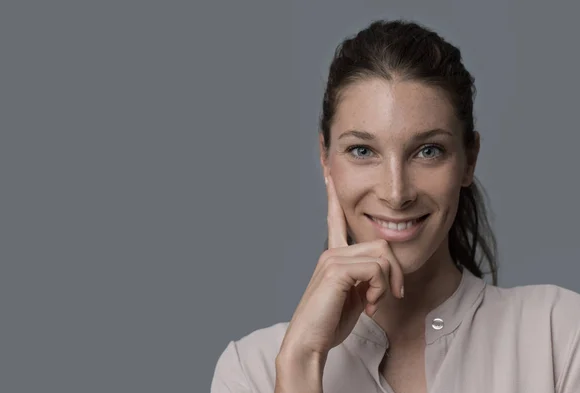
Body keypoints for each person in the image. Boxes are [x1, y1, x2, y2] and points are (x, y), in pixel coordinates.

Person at [210, 19, 580, 393]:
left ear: (469, 160)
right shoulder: (252, 369)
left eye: (428, 151)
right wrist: (302, 362)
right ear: (326, 159)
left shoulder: (560, 336)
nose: (396, 192)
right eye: (362, 150)